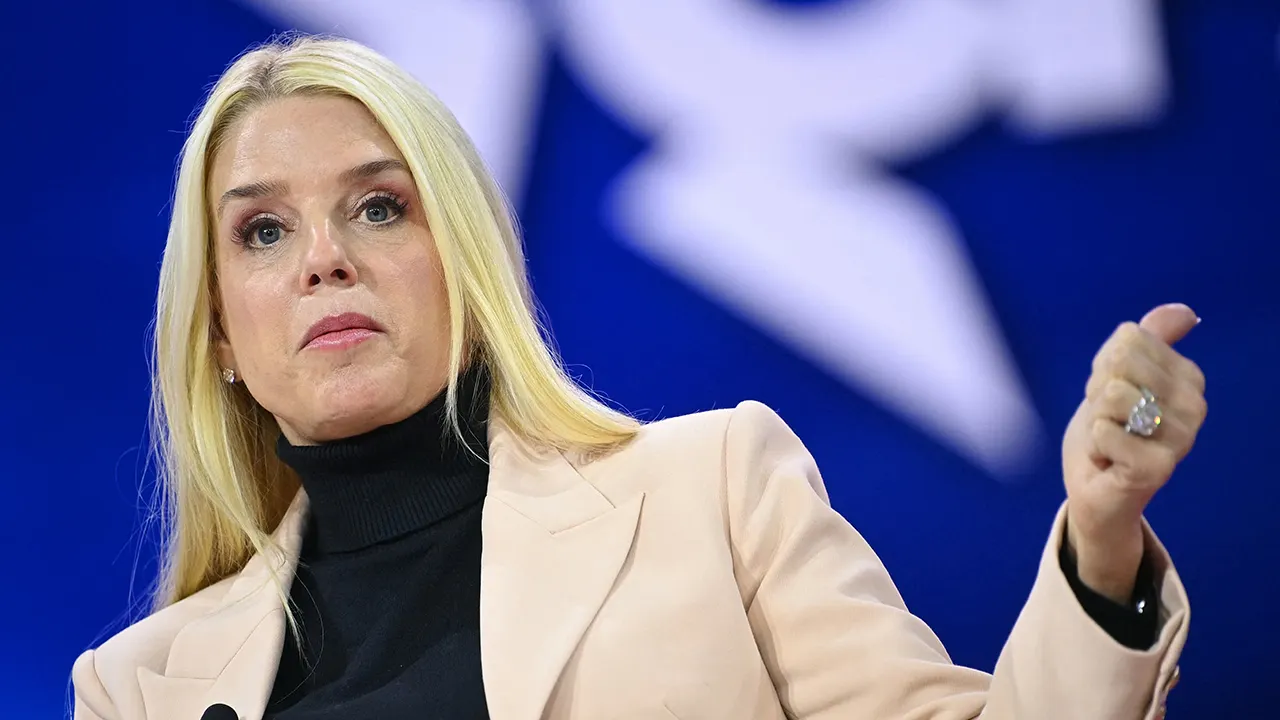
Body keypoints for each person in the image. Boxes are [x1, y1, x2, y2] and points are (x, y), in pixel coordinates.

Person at [71, 34, 1203, 720]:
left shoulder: (711, 492)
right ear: (219, 335)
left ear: (466, 268)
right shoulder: (141, 689)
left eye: (378, 207)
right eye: (263, 231)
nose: (323, 258)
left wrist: (1100, 543)